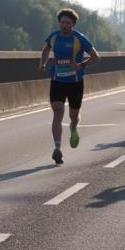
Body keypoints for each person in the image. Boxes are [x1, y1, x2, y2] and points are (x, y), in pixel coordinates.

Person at [39, 8, 100, 164]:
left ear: (73, 24)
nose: (64, 25)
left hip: (75, 83)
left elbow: (95, 57)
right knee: (58, 112)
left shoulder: (79, 38)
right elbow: (46, 49)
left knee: (73, 116)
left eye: (68, 23)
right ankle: (57, 149)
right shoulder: (53, 37)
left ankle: (73, 128)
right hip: (57, 80)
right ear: (59, 23)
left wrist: (81, 65)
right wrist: (43, 64)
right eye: (62, 22)